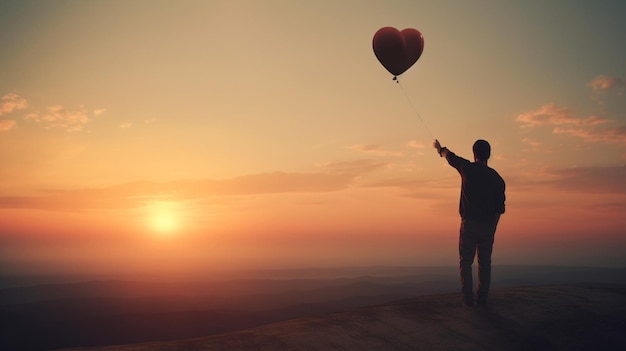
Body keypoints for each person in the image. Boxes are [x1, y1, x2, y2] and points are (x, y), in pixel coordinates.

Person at [433, 139, 506, 307]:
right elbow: (500, 209)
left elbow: (450, 157)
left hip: (469, 224)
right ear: (489, 155)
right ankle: (482, 298)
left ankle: (468, 299)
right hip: (488, 226)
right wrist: (492, 226)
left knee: (465, 262)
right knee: (484, 263)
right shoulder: (497, 179)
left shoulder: (467, 169)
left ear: (474, 154)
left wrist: (439, 149)